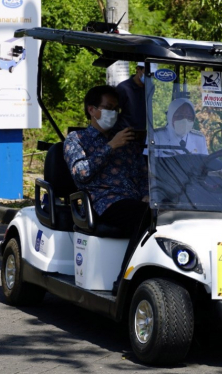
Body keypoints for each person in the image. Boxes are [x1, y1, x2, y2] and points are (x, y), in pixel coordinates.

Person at [63, 85, 150, 295]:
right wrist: (110, 146)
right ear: (91, 109)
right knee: (146, 216)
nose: (113, 113)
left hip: (132, 201)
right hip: (103, 203)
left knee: (163, 214)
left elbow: (140, 174)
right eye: (108, 107)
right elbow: (81, 173)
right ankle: (124, 281)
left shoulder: (126, 141)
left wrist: (147, 193)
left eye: (116, 109)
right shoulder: (76, 140)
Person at [115, 62, 146, 131]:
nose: (149, 76)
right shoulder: (123, 88)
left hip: (144, 135)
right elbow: (115, 113)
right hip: (126, 135)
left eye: (152, 74)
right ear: (138, 69)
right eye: (146, 72)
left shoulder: (150, 88)